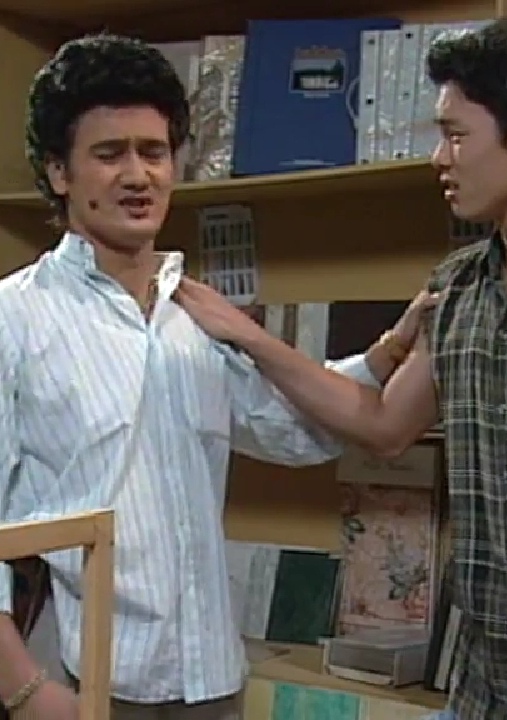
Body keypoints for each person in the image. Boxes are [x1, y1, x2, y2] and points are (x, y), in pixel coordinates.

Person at [175, 17, 507, 720]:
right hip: (488, 687)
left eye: (457, 135)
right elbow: (382, 425)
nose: (440, 157)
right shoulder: (458, 288)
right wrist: (249, 338)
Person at [0, 33, 434, 720]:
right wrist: (23, 689)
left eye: (154, 152)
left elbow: (293, 432)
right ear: (59, 172)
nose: (138, 175)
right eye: (109, 155)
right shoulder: (15, 318)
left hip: (211, 681)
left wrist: (389, 351)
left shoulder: (195, 314)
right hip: (87, 681)